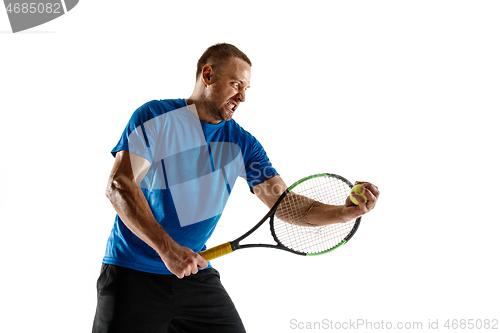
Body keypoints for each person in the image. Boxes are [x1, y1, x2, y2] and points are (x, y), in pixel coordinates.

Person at [92, 43, 380, 333]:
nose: (242, 96)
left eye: (247, 89)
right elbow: (120, 185)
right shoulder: (156, 117)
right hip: (131, 272)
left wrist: (344, 213)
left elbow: (287, 205)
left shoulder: (242, 145)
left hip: (192, 273)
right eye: (236, 85)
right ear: (207, 75)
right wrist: (168, 250)